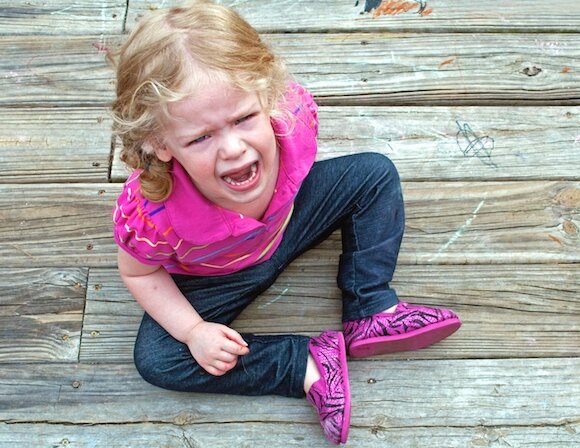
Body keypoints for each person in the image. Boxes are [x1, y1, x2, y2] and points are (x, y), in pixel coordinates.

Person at [109, 0, 461, 444]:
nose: (233, 149)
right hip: (212, 275)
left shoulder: (294, 118)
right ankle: (306, 365)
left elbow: (319, 173)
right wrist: (194, 331)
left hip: (288, 221)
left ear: (267, 95)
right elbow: (138, 273)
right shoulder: (150, 215)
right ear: (160, 143)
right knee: (158, 359)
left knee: (374, 174)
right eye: (201, 137)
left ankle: (371, 307)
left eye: (244, 118)